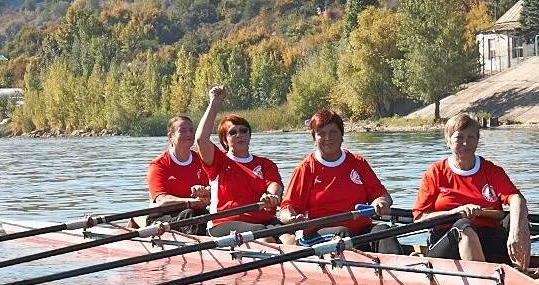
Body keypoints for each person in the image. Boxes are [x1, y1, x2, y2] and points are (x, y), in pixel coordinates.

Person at [412, 112, 530, 268]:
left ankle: (523, 273)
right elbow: (419, 217)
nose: (465, 143)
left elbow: (517, 199)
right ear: (448, 141)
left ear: (477, 141)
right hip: (447, 242)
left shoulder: (491, 170)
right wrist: (455, 212)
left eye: (470, 137)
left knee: (517, 217)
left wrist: (516, 230)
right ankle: (484, 281)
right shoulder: (435, 172)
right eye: (459, 138)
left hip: (487, 239)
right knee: (463, 225)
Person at [278, 110, 392, 243]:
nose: (328, 138)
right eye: (321, 134)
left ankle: (399, 262)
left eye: (333, 132)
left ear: (342, 136)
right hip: (319, 234)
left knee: (383, 229)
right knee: (343, 233)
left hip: (360, 231)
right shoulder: (306, 169)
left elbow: (383, 196)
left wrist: (380, 202)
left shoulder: (358, 163)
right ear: (314, 139)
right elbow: (285, 210)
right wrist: (291, 218)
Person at [193, 85, 282, 236]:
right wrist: (214, 104)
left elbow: (274, 184)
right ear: (225, 140)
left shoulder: (265, 163)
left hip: (264, 221)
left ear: (249, 135)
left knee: (290, 238)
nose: (239, 134)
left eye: (243, 130)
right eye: (232, 132)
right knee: (262, 235)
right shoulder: (218, 161)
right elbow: (201, 139)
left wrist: (272, 196)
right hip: (224, 223)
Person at [140, 114, 211, 230]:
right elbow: (162, 200)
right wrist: (190, 202)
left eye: (191, 130)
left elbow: (213, 186)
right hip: (161, 217)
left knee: (204, 215)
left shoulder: (201, 160)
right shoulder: (159, 165)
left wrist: (207, 191)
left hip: (197, 214)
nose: (189, 134)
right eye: (182, 131)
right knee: (190, 214)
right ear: (171, 136)